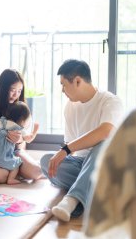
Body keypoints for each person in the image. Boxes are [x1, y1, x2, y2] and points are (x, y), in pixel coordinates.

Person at [40, 59, 123, 222]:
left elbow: (106, 131)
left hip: (106, 165)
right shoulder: (70, 108)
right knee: (45, 161)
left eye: (64, 84)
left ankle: (71, 200)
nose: (62, 90)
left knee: (102, 145)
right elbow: (72, 147)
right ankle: (97, 190)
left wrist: (66, 150)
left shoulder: (110, 101)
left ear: (77, 81)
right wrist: (63, 153)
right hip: (80, 164)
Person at [0, 101, 38, 185]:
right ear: (23, 121)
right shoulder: (18, 129)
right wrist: (35, 130)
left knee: (35, 171)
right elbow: (29, 138)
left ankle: (2, 173)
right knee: (17, 163)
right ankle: (11, 179)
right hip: (4, 157)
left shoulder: (0, 121)